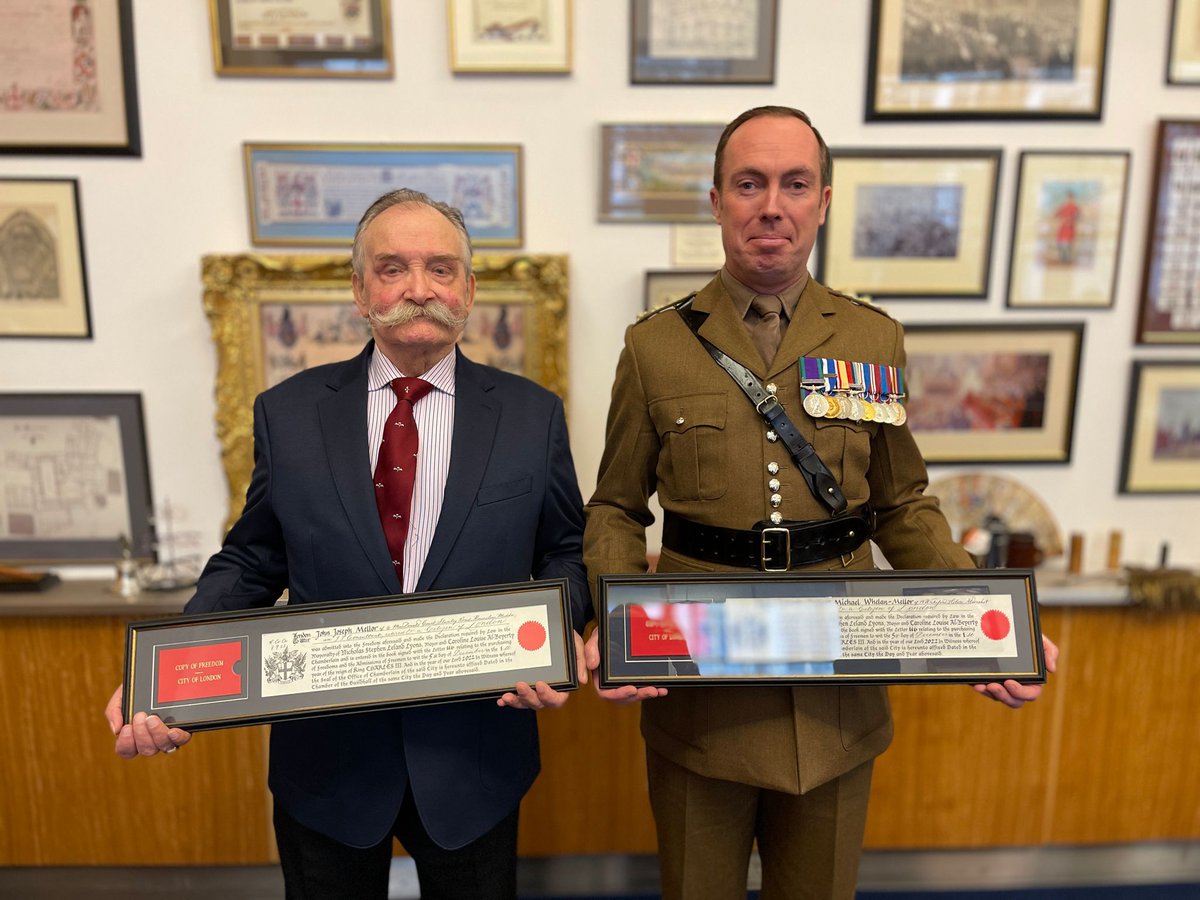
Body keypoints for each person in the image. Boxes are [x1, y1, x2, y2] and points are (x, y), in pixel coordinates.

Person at [582, 106, 1058, 900]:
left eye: (795, 184)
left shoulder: (872, 339)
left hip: (836, 693)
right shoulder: (656, 346)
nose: (772, 206)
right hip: (699, 689)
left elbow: (902, 505)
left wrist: (989, 621)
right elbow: (616, 508)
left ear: (824, 202)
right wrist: (615, 618)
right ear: (716, 202)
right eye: (749, 184)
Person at [105, 189, 590, 900]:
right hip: (328, 765)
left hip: (474, 757)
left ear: (468, 289)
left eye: (441, 268)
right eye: (392, 269)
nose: (419, 288)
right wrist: (163, 674)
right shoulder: (288, 413)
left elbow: (565, 550)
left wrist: (559, 634)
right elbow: (252, 559)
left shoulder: (531, 415)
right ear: (360, 291)